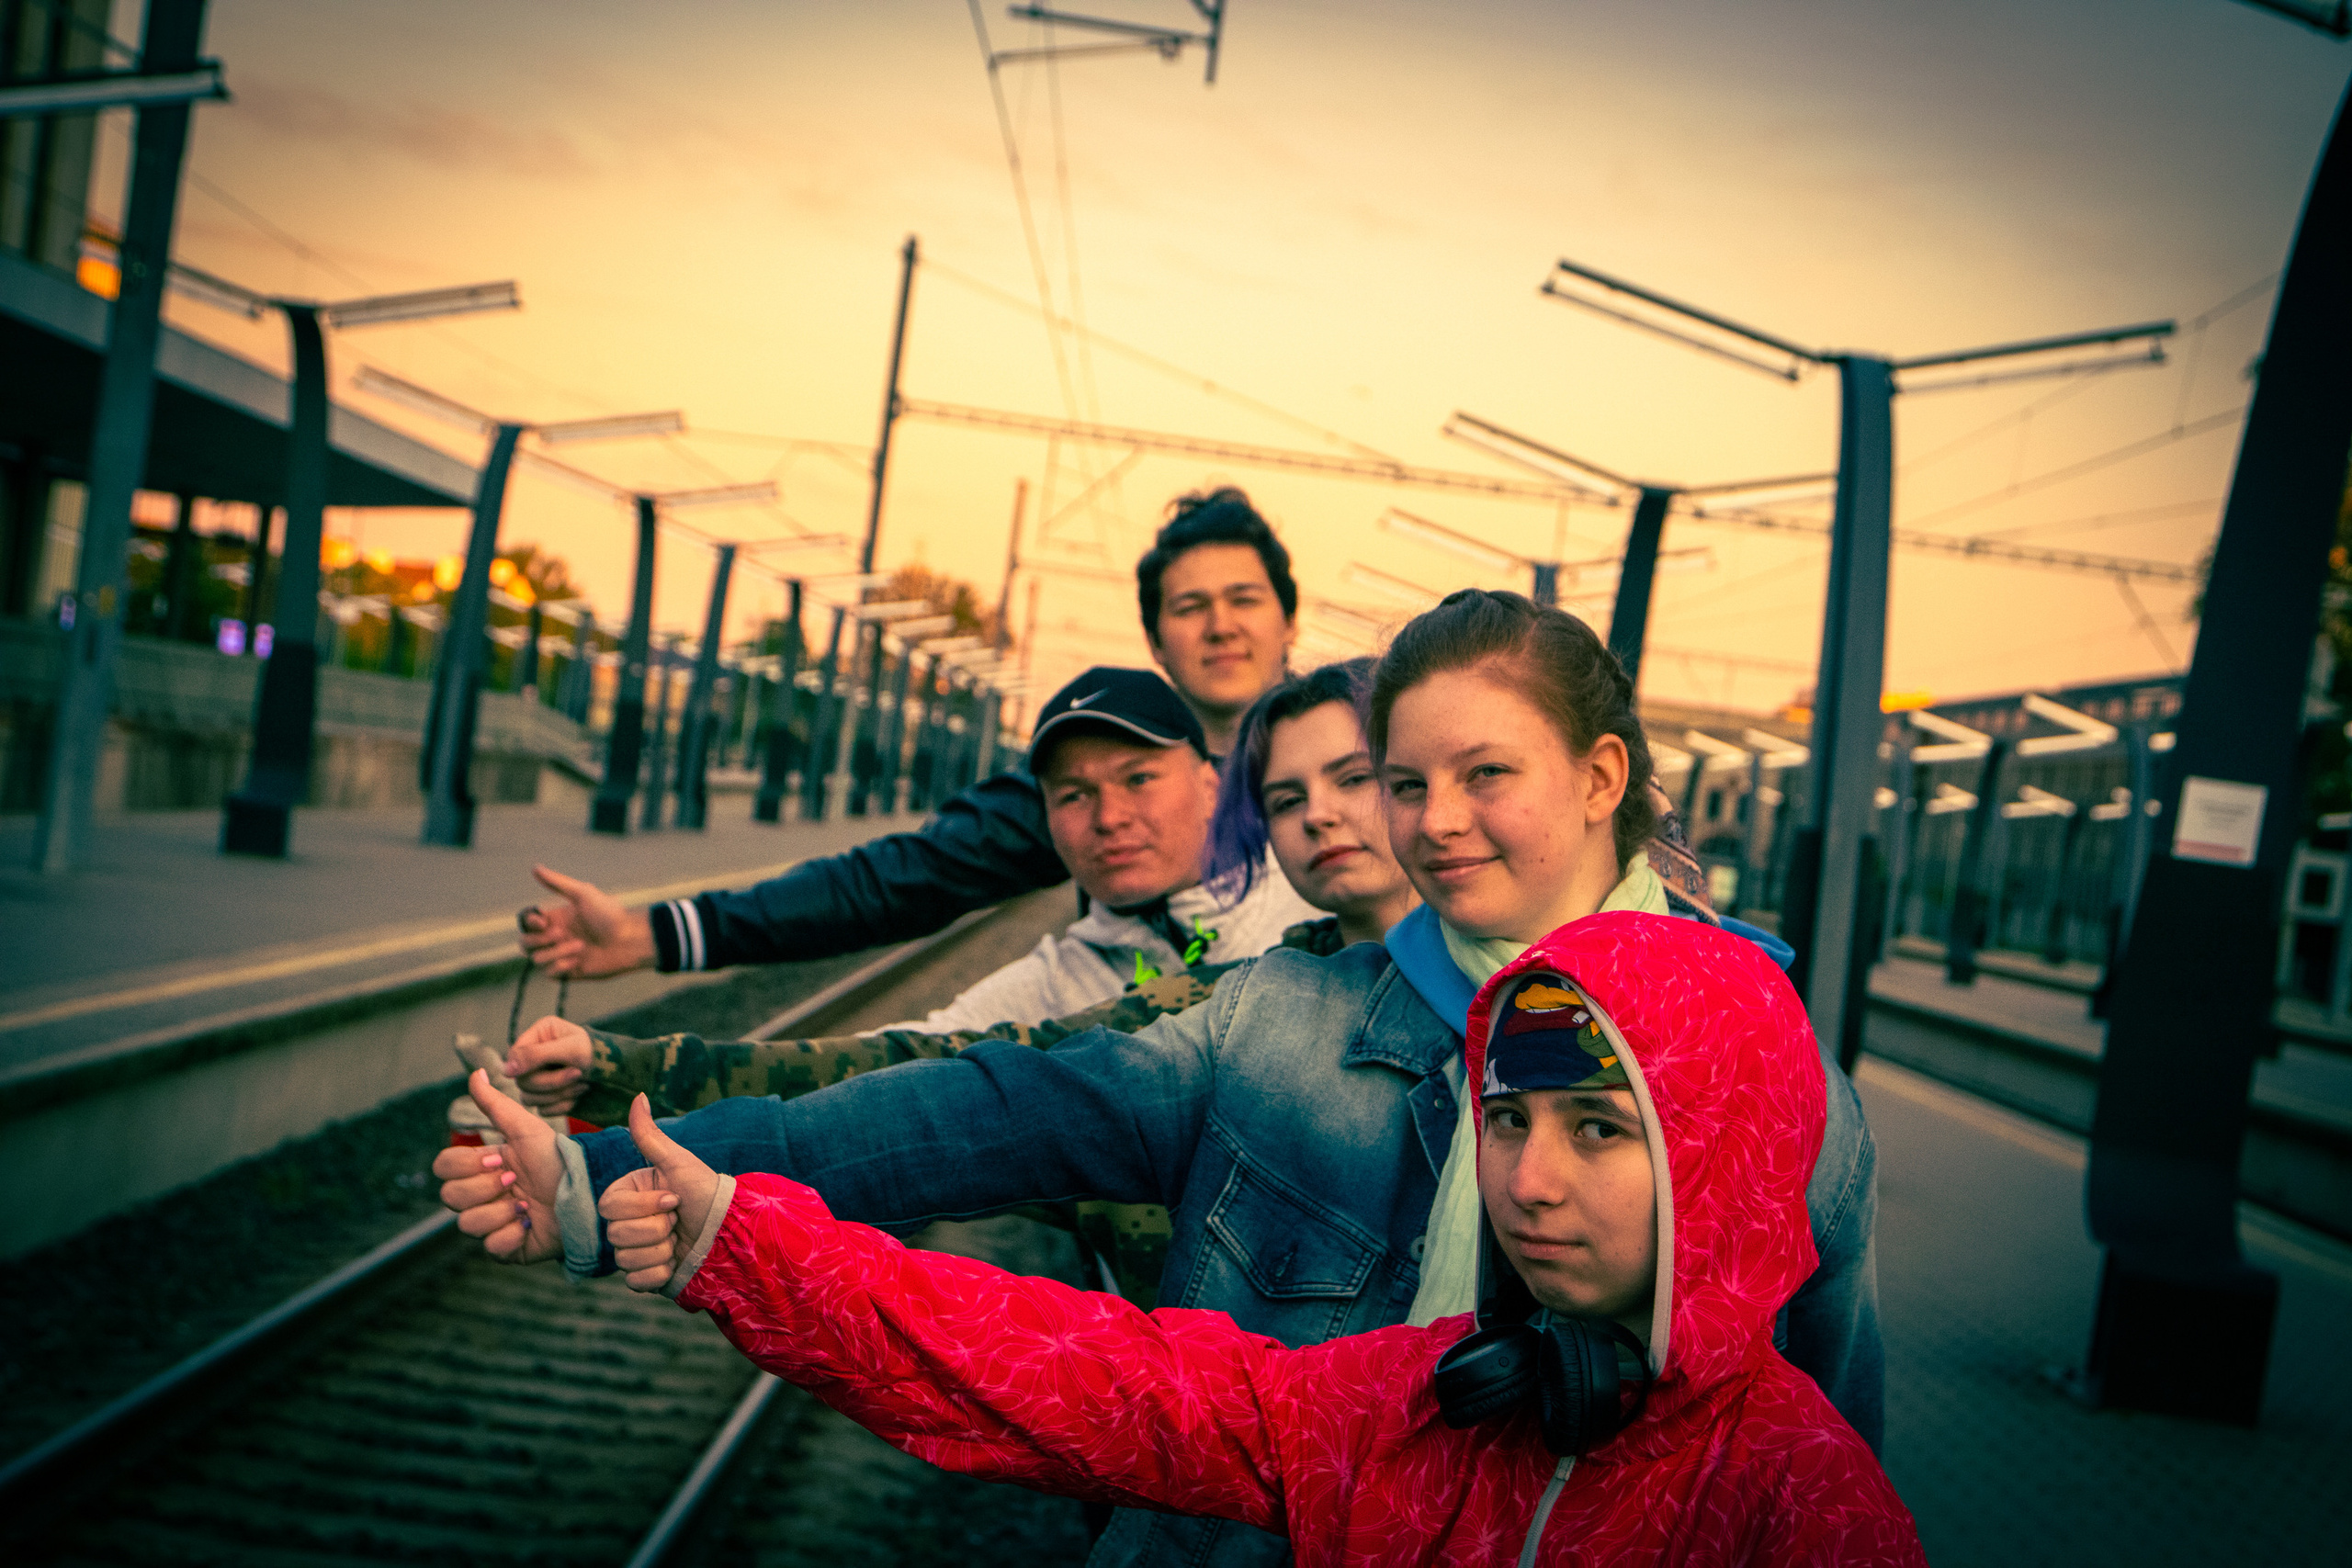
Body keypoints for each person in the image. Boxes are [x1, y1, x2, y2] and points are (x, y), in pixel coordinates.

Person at [440, 592, 1877, 1568]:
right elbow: (974, 1104)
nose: (1432, 823)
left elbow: (1819, 1411)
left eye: (1483, 773)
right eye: (1404, 779)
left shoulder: (1775, 1087)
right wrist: (616, 1174)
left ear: (1603, 771)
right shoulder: (1279, 1014)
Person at [463, 912, 1921, 1565]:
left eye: (1602, 1130)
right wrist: (731, 1237)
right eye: (1507, 1117)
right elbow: (1070, 1370)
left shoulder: (1810, 1514)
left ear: (1716, 1161)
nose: (1531, 1181)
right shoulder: (1409, 1402)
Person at [515, 488, 1303, 982]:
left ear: (1288, 619)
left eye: (1244, 599)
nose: (1221, 625)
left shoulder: (1353, 759)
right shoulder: (1092, 779)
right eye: (1190, 606)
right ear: (1158, 640)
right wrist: (654, 932)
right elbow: (899, 878)